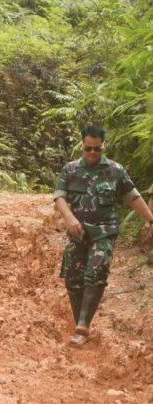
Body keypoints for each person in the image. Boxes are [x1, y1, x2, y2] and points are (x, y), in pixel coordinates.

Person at [53, 125, 153, 346]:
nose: (92, 154)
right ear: (82, 146)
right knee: (72, 278)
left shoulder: (116, 171)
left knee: (97, 270)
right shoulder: (70, 170)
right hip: (78, 232)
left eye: (97, 149)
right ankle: (80, 321)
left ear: (103, 146)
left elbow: (133, 197)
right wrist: (70, 220)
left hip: (105, 232)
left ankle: (83, 327)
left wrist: (150, 219)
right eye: (88, 149)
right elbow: (60, 198)